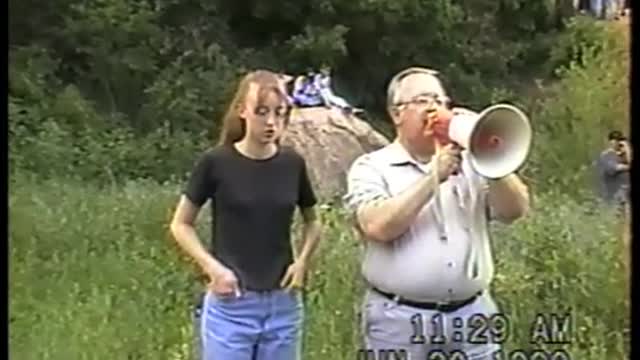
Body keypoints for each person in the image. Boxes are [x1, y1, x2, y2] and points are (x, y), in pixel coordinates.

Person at [344, 67, 531, 359]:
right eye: (421, 100)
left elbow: (515, 210)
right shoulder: (372, 166)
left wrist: (489, 157)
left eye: (440, 100)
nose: (433, 107)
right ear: (396, 113)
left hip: (473, 315)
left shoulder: (472, 162)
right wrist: (434, 175)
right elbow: (377, 226)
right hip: (399, 321)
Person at [170, 69, 322, 360]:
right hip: (232, 305)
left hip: (283, 305)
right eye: (262, 112)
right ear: (242, 111)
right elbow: (180, 224)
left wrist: (302, 262)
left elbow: (313, 221)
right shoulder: (216, 162)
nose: (271, 122)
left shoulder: (292, 163)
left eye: (279, 113)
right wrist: (213, 269)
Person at [594, 130, 630, 208]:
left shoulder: (622, 156)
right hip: (611, 197)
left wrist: (627, 151)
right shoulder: (606, 155)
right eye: (617, 141)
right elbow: (613, 168)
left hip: (622, 196)